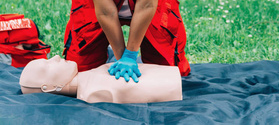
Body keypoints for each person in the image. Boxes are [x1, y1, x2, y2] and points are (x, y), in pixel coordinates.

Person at [19, 55, 182, 103]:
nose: (55, 57)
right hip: (172, 87)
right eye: (47, 65)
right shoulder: (95, 92)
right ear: (48, 87)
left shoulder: (90, 79)